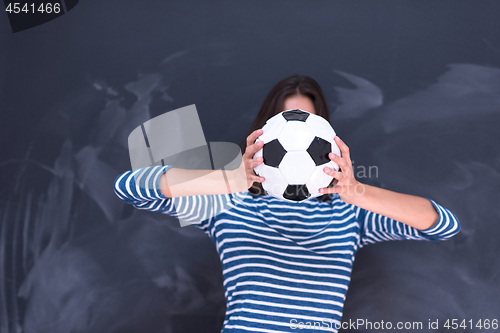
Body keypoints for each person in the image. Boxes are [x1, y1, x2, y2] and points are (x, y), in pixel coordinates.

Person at [114, 75, 460, 332]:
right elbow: (130, 188)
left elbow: (443, 225)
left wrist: (356, 192)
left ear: (327, 141)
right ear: (263, 135)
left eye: (307, 128)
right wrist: (230, 179)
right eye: (285, 128)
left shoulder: (350, 212)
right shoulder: (227, 202)